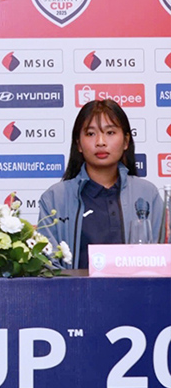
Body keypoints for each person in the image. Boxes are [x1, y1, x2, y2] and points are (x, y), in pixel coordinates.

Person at [38, 99, 161, 269]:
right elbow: (47, 264)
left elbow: (161, 258)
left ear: (126, 141)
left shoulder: (147, 194)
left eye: (110, 133)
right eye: (90, 134)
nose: (101, 142)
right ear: (78, 144)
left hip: (137, 293)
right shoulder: (55, 198)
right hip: (75, 294)